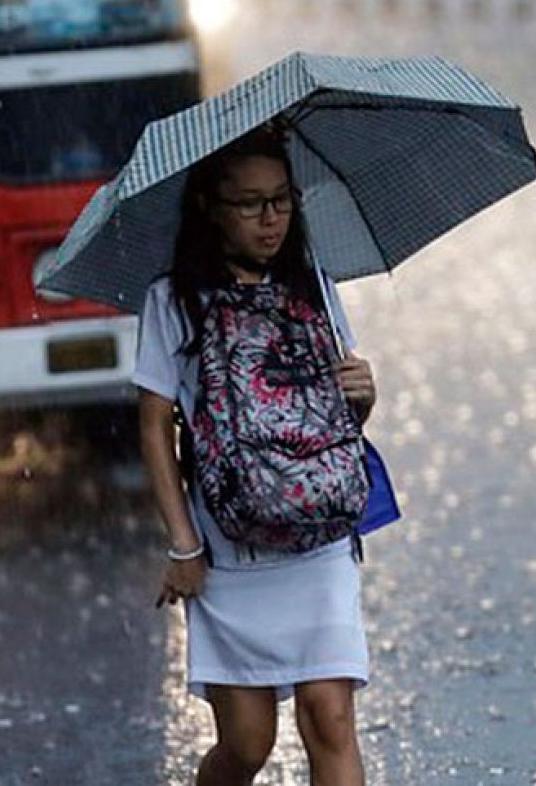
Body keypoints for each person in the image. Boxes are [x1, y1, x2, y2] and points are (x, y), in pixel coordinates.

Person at [134, 127, 378, 786]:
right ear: (210, 207)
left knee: (331, 718)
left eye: (280, 201)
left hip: (318, 537)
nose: (270, 219)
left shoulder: (318, 289)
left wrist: (364, 394)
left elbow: (334, 417)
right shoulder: (171, 301)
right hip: (228, 546)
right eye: (249, 204)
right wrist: (182, 541)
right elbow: (154, 422)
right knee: (246, 745)